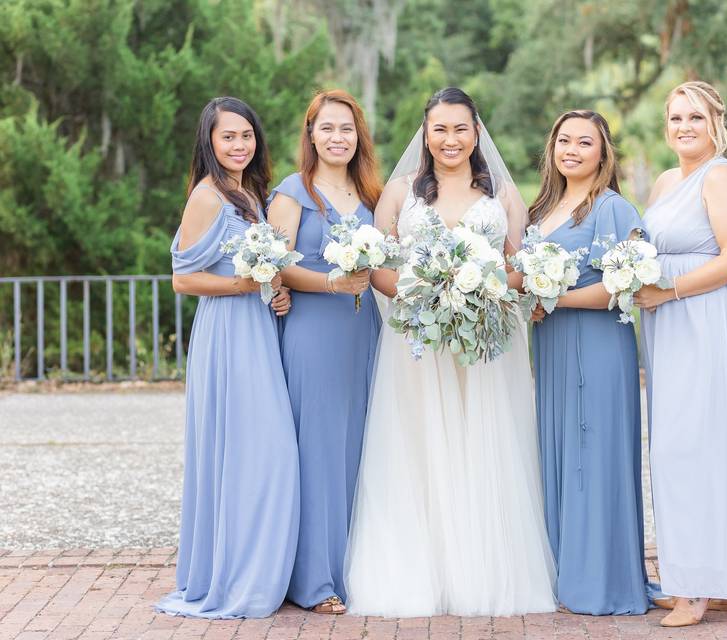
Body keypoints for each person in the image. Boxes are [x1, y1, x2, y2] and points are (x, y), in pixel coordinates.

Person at [344, 87, 557, 617]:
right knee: (419, 447)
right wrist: (426, 294)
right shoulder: (399, 193)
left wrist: (479, 291)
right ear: (425, 132)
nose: (450, 139)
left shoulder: (502, 195)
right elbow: (374, 266)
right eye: (440, 129)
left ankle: (484, 572)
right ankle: (423, 572)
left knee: (485, 443)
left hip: (485, 342)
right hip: (416, 342)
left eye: (461, 128)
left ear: (477, 131)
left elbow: (523, 266)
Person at [634, 80, 727, 627]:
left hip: (706, 322)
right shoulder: (669, 180)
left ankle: (697, 588)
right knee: (675, 448)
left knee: (694, 447)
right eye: (675, 118)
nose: (684, 127)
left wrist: (670, 290)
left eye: (694, 117)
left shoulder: (720, 176)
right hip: (668, 328)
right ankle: (705, 579)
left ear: (715, 122)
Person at [157, 96, 299, 619]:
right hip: (227, 334)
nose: (239, 145)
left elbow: (257, 272)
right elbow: (182, 278)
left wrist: (273, 291)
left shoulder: (250, 192)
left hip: (258, 326)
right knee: (259, 452)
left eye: (246, 135)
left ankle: (254, 569)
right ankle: (236, 580)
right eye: (227, 137)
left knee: (261, 455)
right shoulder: (207, 196)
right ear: (209, 142)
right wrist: (243, 286)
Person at [527, 110, 650, 615]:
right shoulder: (542, 211)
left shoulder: (614, 209)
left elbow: (627, 285)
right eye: (564, 140)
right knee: (560, 453)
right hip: (553, 347)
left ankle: (603, 581)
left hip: (598, 347)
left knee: (593, 455)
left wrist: (555, 298)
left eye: (585, 141)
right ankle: (565, 571)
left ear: (603, 153)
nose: (572, 149)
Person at [266, 89, 382, 615]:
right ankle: (313, 580)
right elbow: (274, 263)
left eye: (347, 129)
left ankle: (353, 567)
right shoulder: (294, 192)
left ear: (359, 137)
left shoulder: (373, 194)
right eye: (328, 128)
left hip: (365, 333)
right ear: (311, 135)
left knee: (357, 449)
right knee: (316, 450)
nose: (338, 138)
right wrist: (330, 285)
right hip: (314, 330)